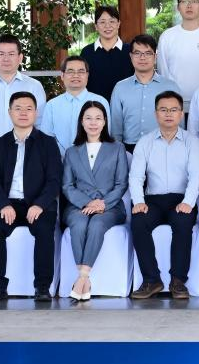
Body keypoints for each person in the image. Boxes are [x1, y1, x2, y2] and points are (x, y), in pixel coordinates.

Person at [0, 91, 62, 302]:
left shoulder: (48, 143)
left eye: (29, 109)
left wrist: (40, 205)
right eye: (18, 108)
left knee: (44, 230)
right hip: (8, 204)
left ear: (36, 113)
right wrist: (3, 205)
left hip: (38, 204)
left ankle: (42, 287)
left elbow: (54, 180)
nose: (23, 113)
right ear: (10, 112)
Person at [129, 91, 199, 300]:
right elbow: (136, 176)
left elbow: (196, 175)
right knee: (138, 221)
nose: (168, 114)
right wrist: (138, 202)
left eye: (173, 110)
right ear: (156, 114)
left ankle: (178, 281)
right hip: (153, 200)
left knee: (182, 222)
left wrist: (188, 202)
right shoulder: (145, 142)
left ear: (181, 114)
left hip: (181, 200)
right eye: (163, 110)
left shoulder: (191, 141)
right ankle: (151, 280)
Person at [61, 100, 128, 302]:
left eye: (98, 118)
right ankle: (85, 281)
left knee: (97, 223)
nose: (93, 122)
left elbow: (121, 184)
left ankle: (82, 278)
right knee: (79, 224)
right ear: (81, 122)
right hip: (78, 206)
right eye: (88, 118)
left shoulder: (117, 148)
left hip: (111, 206)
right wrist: (87, 203)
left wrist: (102, 203)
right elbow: (67, 186)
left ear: (105, 121)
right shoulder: (72, 152)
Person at [110, 34, 180, 151]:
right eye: (137, 53)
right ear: (131, 56)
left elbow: (179, 124)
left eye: (148, 53)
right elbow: (115, 127)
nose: (142, 58)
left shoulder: (170, 87)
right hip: (128, 149)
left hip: (163, 147)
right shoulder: (120, 88)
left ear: (155, 56)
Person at [39, 55, 106, 156]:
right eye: (70, 71)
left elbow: (105, 135)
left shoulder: (101, 101)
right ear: (62, 75)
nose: (76, 75)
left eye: (81, 71)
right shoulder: (51, 105)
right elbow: (46, 139)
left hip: (93, 160)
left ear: (87, 75)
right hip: (59, 161)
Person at [80, 5, 134, 102]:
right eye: (102, 22)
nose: (107, 26)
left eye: (112, 21)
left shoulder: (131, 51)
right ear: (96, 26)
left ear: (118, 24)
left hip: (125, 106)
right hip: (94, 107)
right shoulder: (87, 52)